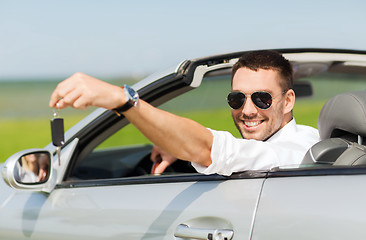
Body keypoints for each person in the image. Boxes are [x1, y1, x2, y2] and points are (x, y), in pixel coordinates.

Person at [49, 50, 319, 176]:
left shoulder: (295, 154)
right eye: (237, 98)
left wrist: (121, 99)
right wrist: (179, 148)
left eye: (262, 99)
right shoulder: (308, 138)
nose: (247, 110)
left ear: (288, 101)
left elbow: (210, 148)